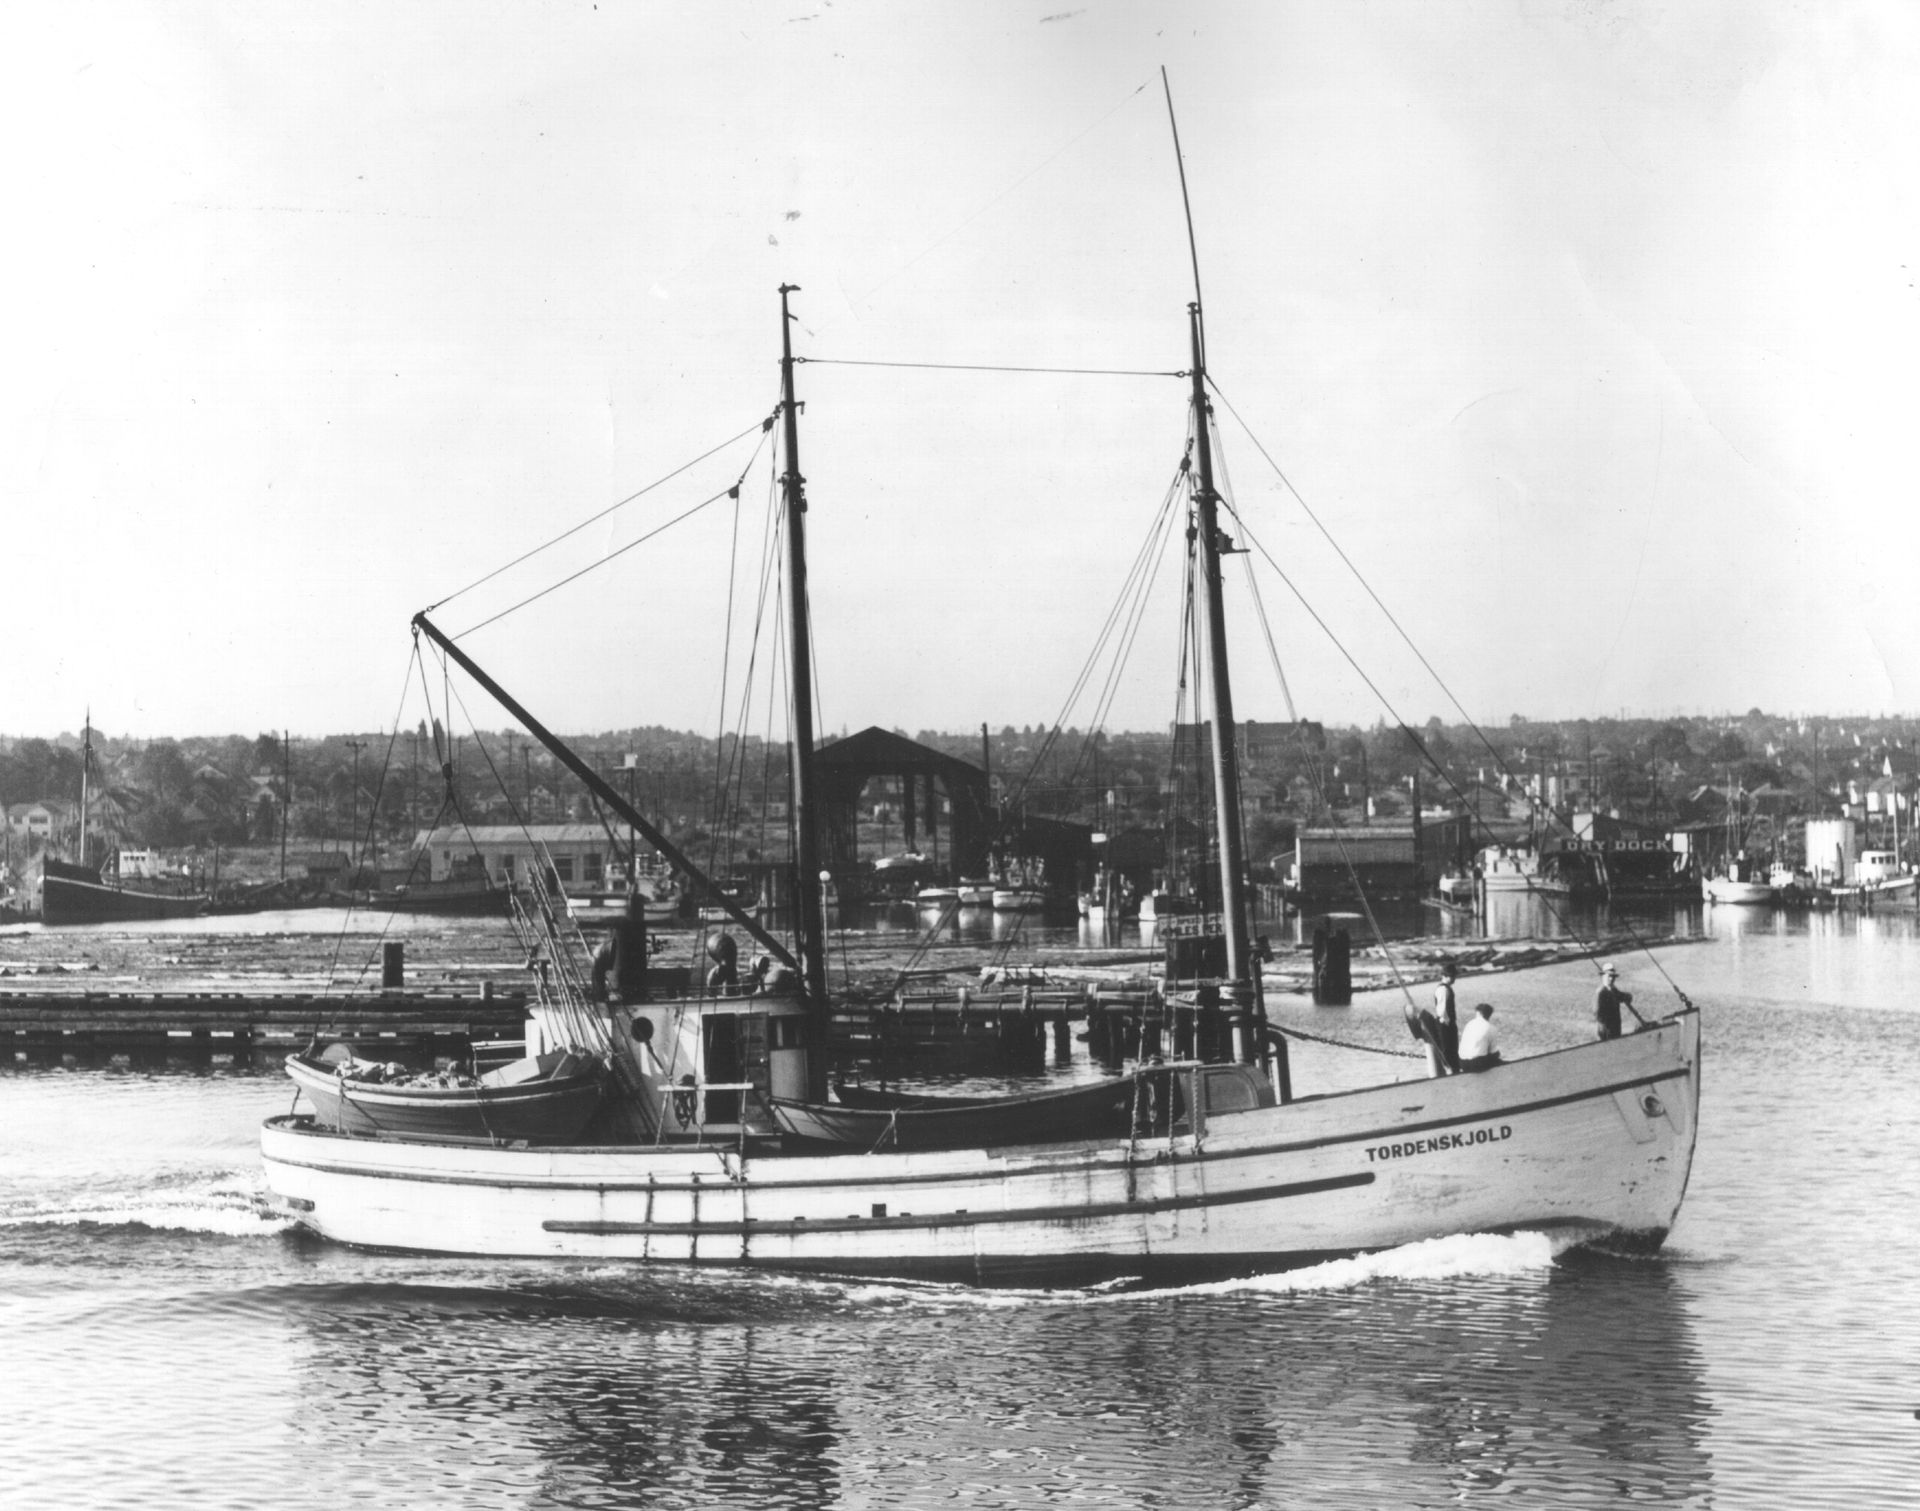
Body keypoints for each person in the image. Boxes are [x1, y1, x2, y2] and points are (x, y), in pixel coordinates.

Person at [1433, 963, 1461, 1072]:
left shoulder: (1446, 988)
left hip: (1447, 1023)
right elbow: (1442, 1009)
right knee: (1448, 1051)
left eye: (1454, 976)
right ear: (1444, 976)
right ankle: (1452, 1072)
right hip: (1444, 1024)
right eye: (1451, 976)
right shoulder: (1443, 989)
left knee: (1452, 1051)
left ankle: (1454, 1070)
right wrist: (1447, 1023)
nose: (1453, 979)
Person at [1594, 965, 1633, 1040]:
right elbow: (1597, 1014)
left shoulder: (1613, 990)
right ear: (1603, 976)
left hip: (1615, 1028)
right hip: (1605, 1031)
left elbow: (1621, 996)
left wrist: (1628, 996)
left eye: (1613, 976)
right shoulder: (1600, 992)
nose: (1611, 979)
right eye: (1609, 976)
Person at [1457, 1002, 1500, 1071]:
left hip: (1462, 1062)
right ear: (1490, 1015)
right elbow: (1493, 1052)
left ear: (1478, 1013)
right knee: (1496, 1054)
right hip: (1477, 1064)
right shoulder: (1491, 1028)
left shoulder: (1469, 1024)